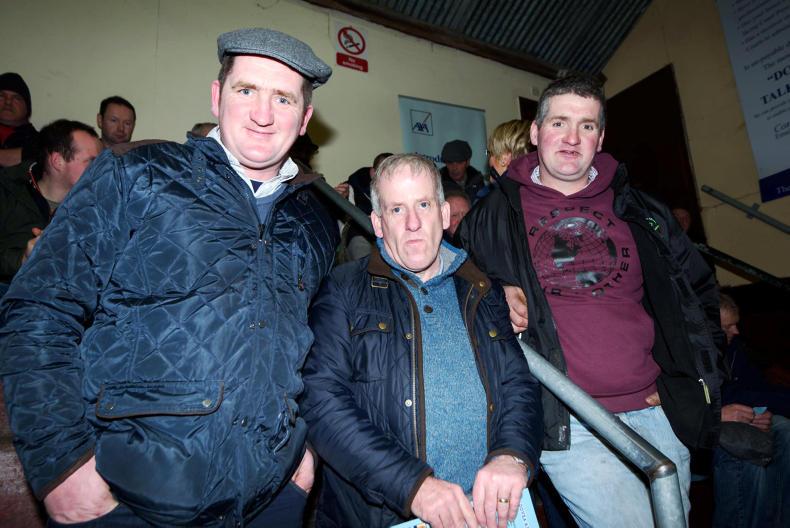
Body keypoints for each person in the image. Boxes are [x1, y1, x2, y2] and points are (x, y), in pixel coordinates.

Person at [0, 27, 338, 527]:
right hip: (126, 500)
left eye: (283, 99)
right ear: (217, 96)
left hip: (270, 500)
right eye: (246, 90)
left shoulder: (315, 221)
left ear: (305, 118)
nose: (263, 114)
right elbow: (39, 308)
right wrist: (61, 466)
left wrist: (301, 461)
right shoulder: (135, 173)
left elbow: (317, 349)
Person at [458, 75, 723, 527]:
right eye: (559, 123)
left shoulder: (642, 210)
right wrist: (490, 292)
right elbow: (454, 292)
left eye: (586, 126)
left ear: (600, 138)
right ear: (535, 132)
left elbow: (698, 294)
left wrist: (689, 380)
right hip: (568, 419)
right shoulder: (492, 215)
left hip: (656, 412)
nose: (571, 137)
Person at [300, 153, 542, 528]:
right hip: (387, 513)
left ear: (443, 215)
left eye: (424, 205)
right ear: (378, 223)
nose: (412, 223)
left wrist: (512, 455)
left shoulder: (482, 288)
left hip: (491, 513)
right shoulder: (343, 290)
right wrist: (413, 487)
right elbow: (320, 400)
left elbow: (517, 383)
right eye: (396, 209)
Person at [713, 293, 789, 528]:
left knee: (784, 429)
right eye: (728, 326)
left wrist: (762, 411)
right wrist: (725, 412)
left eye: (736, 324)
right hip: (704, 427)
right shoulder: (690, 351)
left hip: (739, 414)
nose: (736, 331)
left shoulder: (734, 348)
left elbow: (756, 388)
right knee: (748, 449)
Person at [0, 119, 102, 284]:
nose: (101, 169)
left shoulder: (99, 204)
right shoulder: (7, 191)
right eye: (91, 162)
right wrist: (22, 259)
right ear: (57, 161)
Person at [344, 151, 392, 260]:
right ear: (373, 172)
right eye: (385, 174)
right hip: (360, 232)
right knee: (361, 252)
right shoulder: (352, 186)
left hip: (388, 233)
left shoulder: (396, 186)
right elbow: (348, 218)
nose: (389, 179)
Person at [0, 72, 39, 167]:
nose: (8, 102)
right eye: (1, 96)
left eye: (16, 98)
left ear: (27, 108)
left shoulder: (40, 142)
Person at [440, 139, 487, 204]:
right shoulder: (438, 183)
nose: (454, 168)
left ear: (468, 162)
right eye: (450, 163)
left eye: (459, 162)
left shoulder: (477, 180)